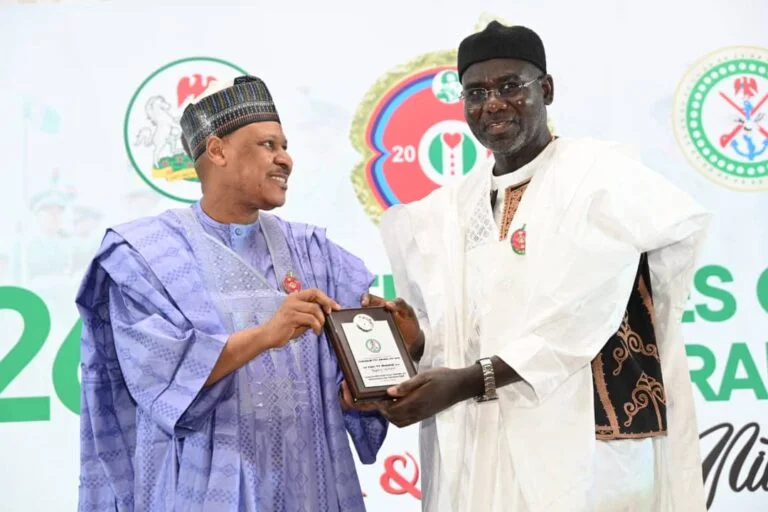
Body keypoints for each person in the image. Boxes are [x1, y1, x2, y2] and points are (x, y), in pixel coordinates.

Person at [372, 22, 710, 511]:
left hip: (582, 441)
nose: (493, 103)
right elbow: (468, 328)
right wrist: (419, 342)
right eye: (477, 92)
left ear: (546, 90)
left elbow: (583, 314)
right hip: (481, 440)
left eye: (511, 86)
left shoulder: (599, 181)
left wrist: (468, 380)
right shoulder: (451, 207)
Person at [76, 75, 387, 512]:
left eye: (285, 145)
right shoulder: (147, 257)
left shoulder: (315, 253)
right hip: (205, 487)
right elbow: (156, 378)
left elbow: (363, 364)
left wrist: (399, 347)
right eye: (268, 145)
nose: (286, 159)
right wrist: (267, 332)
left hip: (309, 484)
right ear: (218, 150)